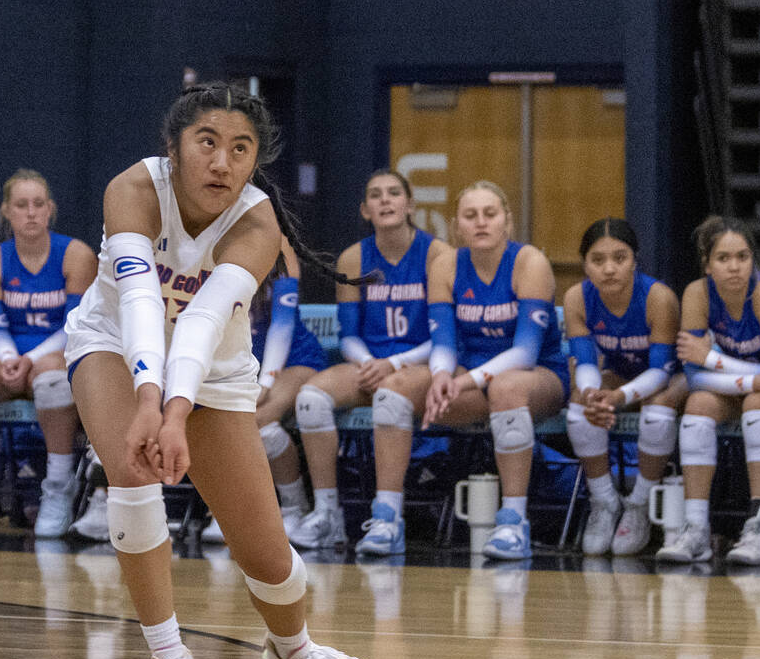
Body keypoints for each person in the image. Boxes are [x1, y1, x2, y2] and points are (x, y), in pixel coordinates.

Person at [63, 82, 385, 659]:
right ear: (174, 148)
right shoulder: (133, 189)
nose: (222, 162)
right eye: (207, 142)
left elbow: (205, 321)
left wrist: (175, 412)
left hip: (214, 367)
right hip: (114, 342)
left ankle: (293, 650)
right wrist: (150, 402)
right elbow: (141, 304)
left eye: (241, 148)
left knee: (269, 556)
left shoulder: (258, 221)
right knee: (132, 479)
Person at [289, 170, 450, 556]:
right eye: (375, 195)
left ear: (410, 204)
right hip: (370, 364)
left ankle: (387, 519)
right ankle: (328, 514)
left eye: (394, 193)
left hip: (422, 362)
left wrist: (393, 363)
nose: (385, 200)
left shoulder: (438, 255)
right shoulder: (354, 258)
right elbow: (348, 336)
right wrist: (368, 363)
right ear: (365, 209)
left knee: (390, 398)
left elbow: (444, 334)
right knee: (310, 398)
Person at [0, 169, 97, 537]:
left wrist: (30, 360)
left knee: (54, 377)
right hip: (10, 355)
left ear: (50, 210)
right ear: (6, 212)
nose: (30, 213)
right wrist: (11, 358)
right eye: (21, 205)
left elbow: (73, 327)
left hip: (58, 352)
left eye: (38, 204)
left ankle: (58, 488)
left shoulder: (76, 255)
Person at [423, 181, 570, 560]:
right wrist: (441, 375)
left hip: (540, 377)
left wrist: (462, 380)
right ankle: (387, 516)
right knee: (397, 391)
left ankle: (513, 522)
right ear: (456, 226)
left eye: (491, 214)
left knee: (506, 389)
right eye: (471, 216)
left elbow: (524, 352)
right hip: (471, 379)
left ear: (507, 221)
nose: (481, 223)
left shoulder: (529, 262)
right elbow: (442, 342)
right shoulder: (445, 265)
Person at [656, 216, 760, 567]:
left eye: (742, 257)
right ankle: (695, 528)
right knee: (697, 403)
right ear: (708, 265)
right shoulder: (697, 294)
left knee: (759, 401)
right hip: (748, 384)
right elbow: (696, 378)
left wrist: (711, 358)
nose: (735, 267)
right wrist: (749, 378)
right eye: (723, 258)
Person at [561, 217, 686, 556]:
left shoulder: (658, 298)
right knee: (578, 403)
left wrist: (617, 397)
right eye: (598, 260)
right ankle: (604, 502)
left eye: (620, 258)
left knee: (658, 407)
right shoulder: (577, 298)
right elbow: (585, 363)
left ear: (635, 259)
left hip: (671, 377)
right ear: (585, 264)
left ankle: (640, 504)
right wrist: (593, 394)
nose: (609, 268)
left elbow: (661, 371)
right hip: (621, 374)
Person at [202, 237, 325, 544]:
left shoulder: (279, 247)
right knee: (215, 421)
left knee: (255, 420)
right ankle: (230, 509)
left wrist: (267, 382)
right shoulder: (211, 243)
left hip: (294, 359)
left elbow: (282, 325)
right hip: (238, 361)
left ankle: (294, 508)